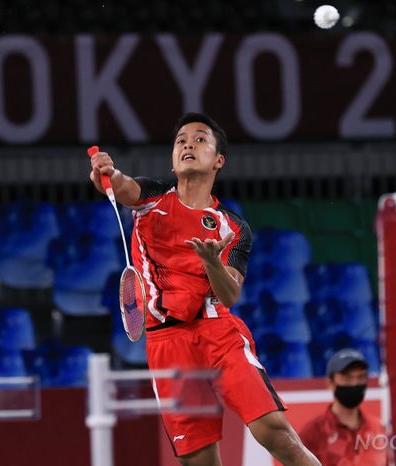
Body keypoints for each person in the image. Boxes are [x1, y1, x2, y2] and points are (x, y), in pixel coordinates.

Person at [89, 112, 321, 466]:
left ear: (218, 160)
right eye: (181, 140)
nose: (187, 144)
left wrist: (212, 262)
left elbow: (230, 295)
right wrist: (105, 171)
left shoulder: (232, 227)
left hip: (217, 333)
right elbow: (119, 185)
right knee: (201, 462)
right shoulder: (152, 198)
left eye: (200, 139)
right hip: (167, 344)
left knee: (274, 430)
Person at [300, 349, 387, 466]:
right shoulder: (313, 432)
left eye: (361, 377)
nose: (354, 383)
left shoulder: (379, 428)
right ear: (330, 382)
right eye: (347, 378)